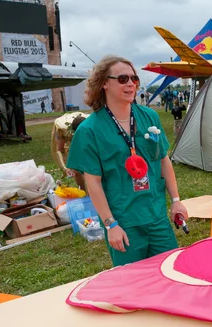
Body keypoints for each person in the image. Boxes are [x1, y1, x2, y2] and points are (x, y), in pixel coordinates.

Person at [67, 55, 188, 267]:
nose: (131, 83)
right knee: (133, 284)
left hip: (156, 216)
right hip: (124, 222)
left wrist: (176, 200)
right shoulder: (90, 130)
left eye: (134, 78)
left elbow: (163, 160)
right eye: (122, 79)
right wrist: (110, 224)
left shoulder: (150, 117)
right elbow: (93, 182)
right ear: (104, 83)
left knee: (170, 272)